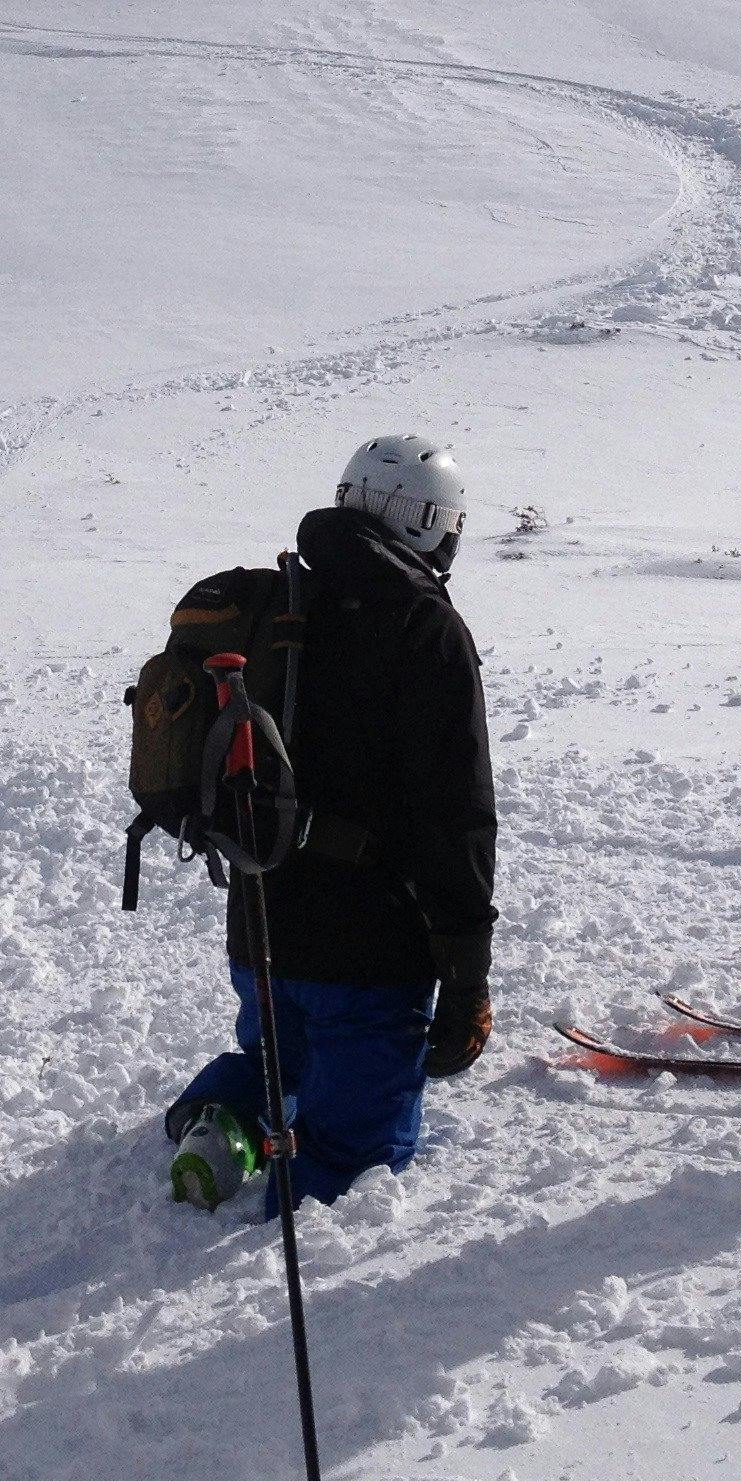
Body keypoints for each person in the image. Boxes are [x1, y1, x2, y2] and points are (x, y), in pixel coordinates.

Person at [164, 436, 498, 1210]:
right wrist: (466, 976)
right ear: (423, 523)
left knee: (284, 1060)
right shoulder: (426, 631)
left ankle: (224, 1112)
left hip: (260, 936)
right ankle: (278, 1215)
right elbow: (458, 822)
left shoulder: (273, 606)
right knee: (355, 1167)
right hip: (368, 959)